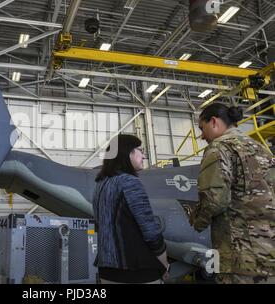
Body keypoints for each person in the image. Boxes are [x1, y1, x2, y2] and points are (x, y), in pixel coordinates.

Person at [189, 103, 275, 284]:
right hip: (269, 251)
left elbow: (214, 200)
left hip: (240, 256)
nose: (202, 135)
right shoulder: (261, 150)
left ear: (213, 122)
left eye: (202, 128)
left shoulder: (218, 148)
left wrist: (197, 220)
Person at [93, 134, 170, 284]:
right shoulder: (129, 182)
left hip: (107, 271)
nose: (144, 155)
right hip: (136, 270)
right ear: (128, 153)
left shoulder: (100, 185)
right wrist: (164, 262)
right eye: (140, 150)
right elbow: (150, 231)